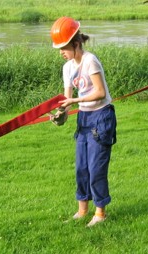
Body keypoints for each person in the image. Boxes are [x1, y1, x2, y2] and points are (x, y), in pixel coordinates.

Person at [50, 17, 117, 227]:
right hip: (84, 118)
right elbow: (66, 100)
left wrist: (75, 100)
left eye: (63, 47)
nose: (61, 51)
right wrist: (60, 115)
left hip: (101, 116)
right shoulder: (67, 68)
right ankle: (82, 210)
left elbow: (100, 92)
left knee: (96, 167)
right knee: (81, 167)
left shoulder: (90, 61)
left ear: (76, 43)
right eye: (59, 47)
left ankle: (100, 213)